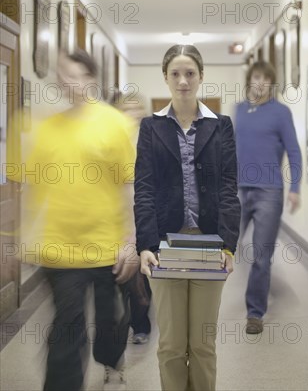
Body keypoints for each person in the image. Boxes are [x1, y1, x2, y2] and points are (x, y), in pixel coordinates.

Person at [12, 50, 138, 391]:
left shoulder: (114, 123)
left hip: (107, 244)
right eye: (63, 75)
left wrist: (130, 241)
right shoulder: (49, 128)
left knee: (110, 317)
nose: (68, 82)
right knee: (68, 326)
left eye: (76, 75)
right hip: (60, 247)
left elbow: (127, 184)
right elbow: (32, 188)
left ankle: (112, 360)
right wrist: (16, 236)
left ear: (91, 80)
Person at [134, 44, 241, 391]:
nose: (183, 81)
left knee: (202, 345)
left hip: (209, 245)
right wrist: (145, 245)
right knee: (171, 345)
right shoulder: (152, 127)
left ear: (201, 77)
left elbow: (228, 187)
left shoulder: (221, 126)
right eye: (175, 74)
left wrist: (229, 246)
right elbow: (144, 188)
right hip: (166, 246)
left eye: (190, 73)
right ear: (165, 77)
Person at [235, 61, 302, 334]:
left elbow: (294, 152)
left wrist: (295, 188)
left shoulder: (281, 113)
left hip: (269, 193)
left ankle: (255, 313)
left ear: (271, 83)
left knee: (261, 256)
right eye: (256, 77)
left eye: (265, 78)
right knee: (222, 248)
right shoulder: (239, 110)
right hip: (237, 190)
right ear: (249, 80)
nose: (260, 83)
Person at [111, 91, 152, 345]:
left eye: (137, 109)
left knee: (140, 269)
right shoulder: (110, 137)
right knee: (118, 272)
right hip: (113, 215)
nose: (133, 114)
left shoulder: (147, 139)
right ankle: (118, 323)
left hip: (142, 210)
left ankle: (141, 323)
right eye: (127, 109)